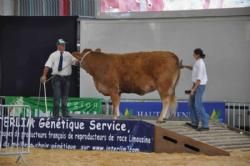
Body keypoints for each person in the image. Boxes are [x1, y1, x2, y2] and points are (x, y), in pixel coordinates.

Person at [40, 39, 78, 118]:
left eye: (64, 45)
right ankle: (56, 116)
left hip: (66, 79)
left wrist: (79, 60)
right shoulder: (53, 55)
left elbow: (75, 63)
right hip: (56, 78)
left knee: (65, 99)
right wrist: (44, 75)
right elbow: (47, 65)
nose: (64, 46)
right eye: (62, 45)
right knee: (57, 98)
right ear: (58, 46)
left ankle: (65, 115)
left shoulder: (69, 54)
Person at [183, 48, 209, 131]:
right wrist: (184, 66)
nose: (193, 55)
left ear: (197, 54)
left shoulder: (201, 63)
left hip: (200, 85)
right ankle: (194, 123)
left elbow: (199, 79)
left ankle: (205, 125)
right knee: (191, 103)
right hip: (195, 84)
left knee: (198, 105)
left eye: (194, 54)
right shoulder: (197, 62)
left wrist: (193, 90)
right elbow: (193, 68)